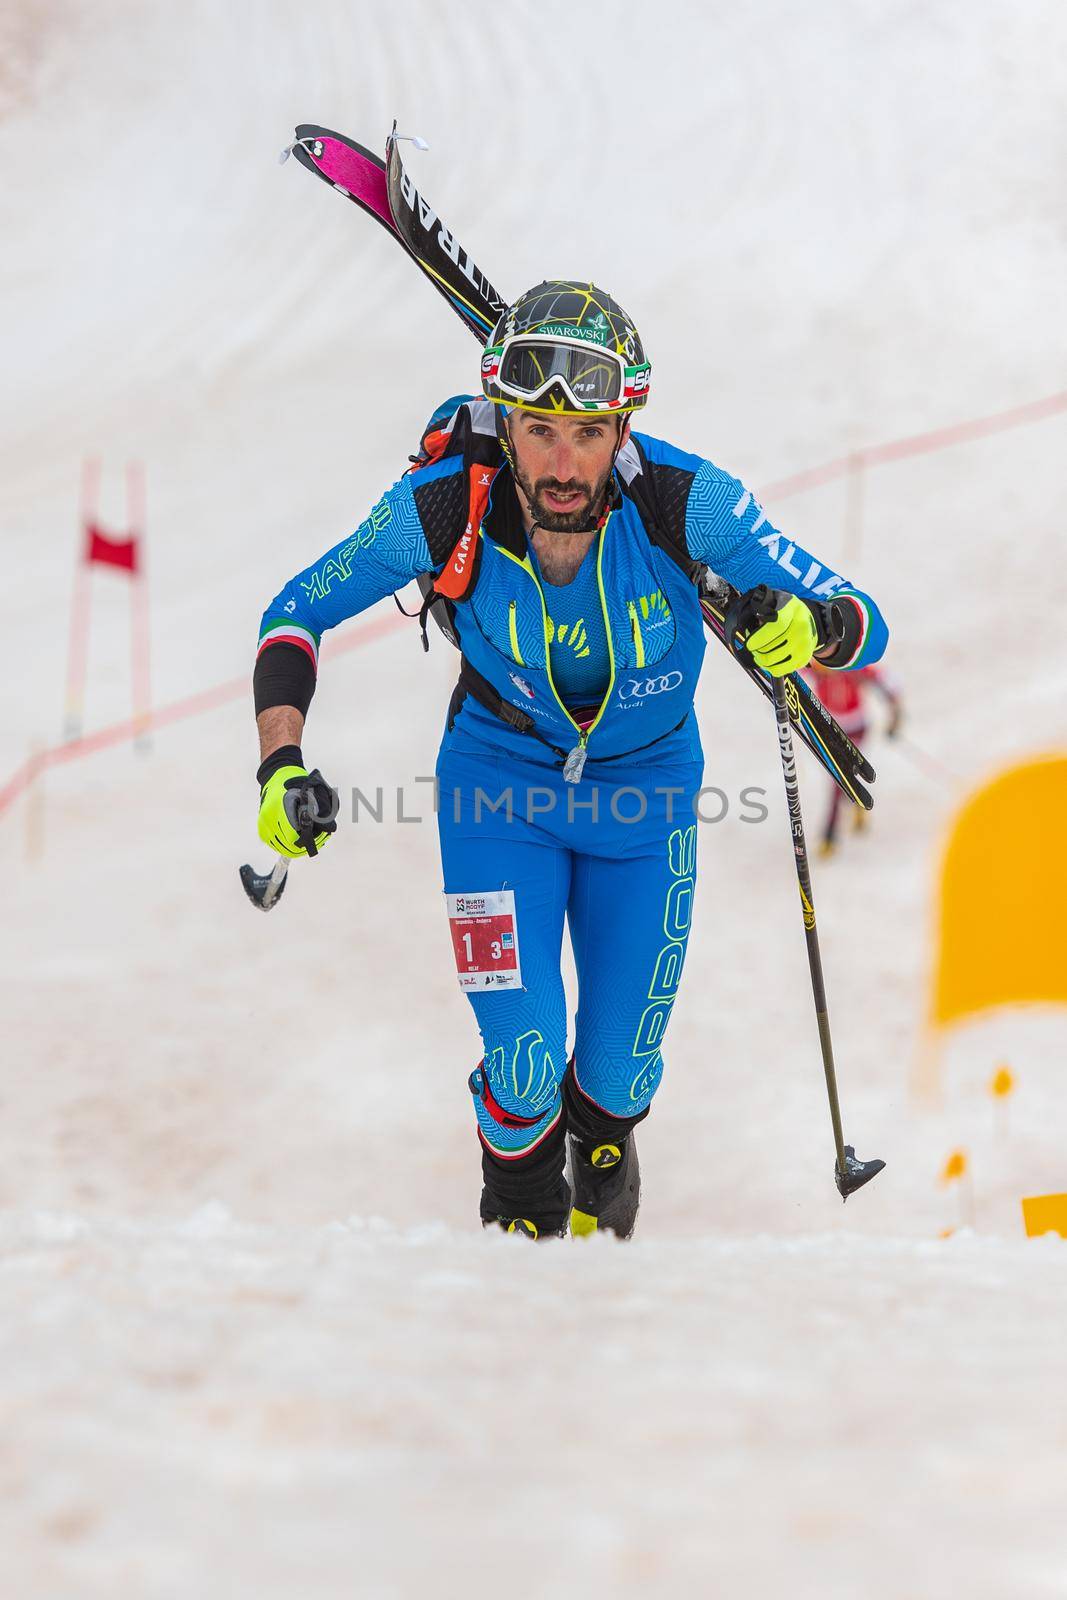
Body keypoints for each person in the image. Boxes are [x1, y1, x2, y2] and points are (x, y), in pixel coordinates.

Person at [252, 281, 889, 1240]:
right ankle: (517, 1217)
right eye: (539, 430)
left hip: (646, 799)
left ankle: (600, 1139)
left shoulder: (686, 501)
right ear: (502, 421)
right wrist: (281, 765)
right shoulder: (438, 508)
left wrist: (810, 627)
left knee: (621, 1071)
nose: (562, 462)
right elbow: (294, 611)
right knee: (521, 1055)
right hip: (495, 789)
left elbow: (861, 620)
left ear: (621, 426)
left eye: (587, 433)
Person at [802, 661, 902, 856]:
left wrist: (895, 717)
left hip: (856, 728)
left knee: (839, 780)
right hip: (830, 730)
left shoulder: (853, 668)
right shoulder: (817, 669)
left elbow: (887, 683)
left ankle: (829, 837)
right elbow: (790, 673)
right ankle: (857, 804)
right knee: (841, 777)